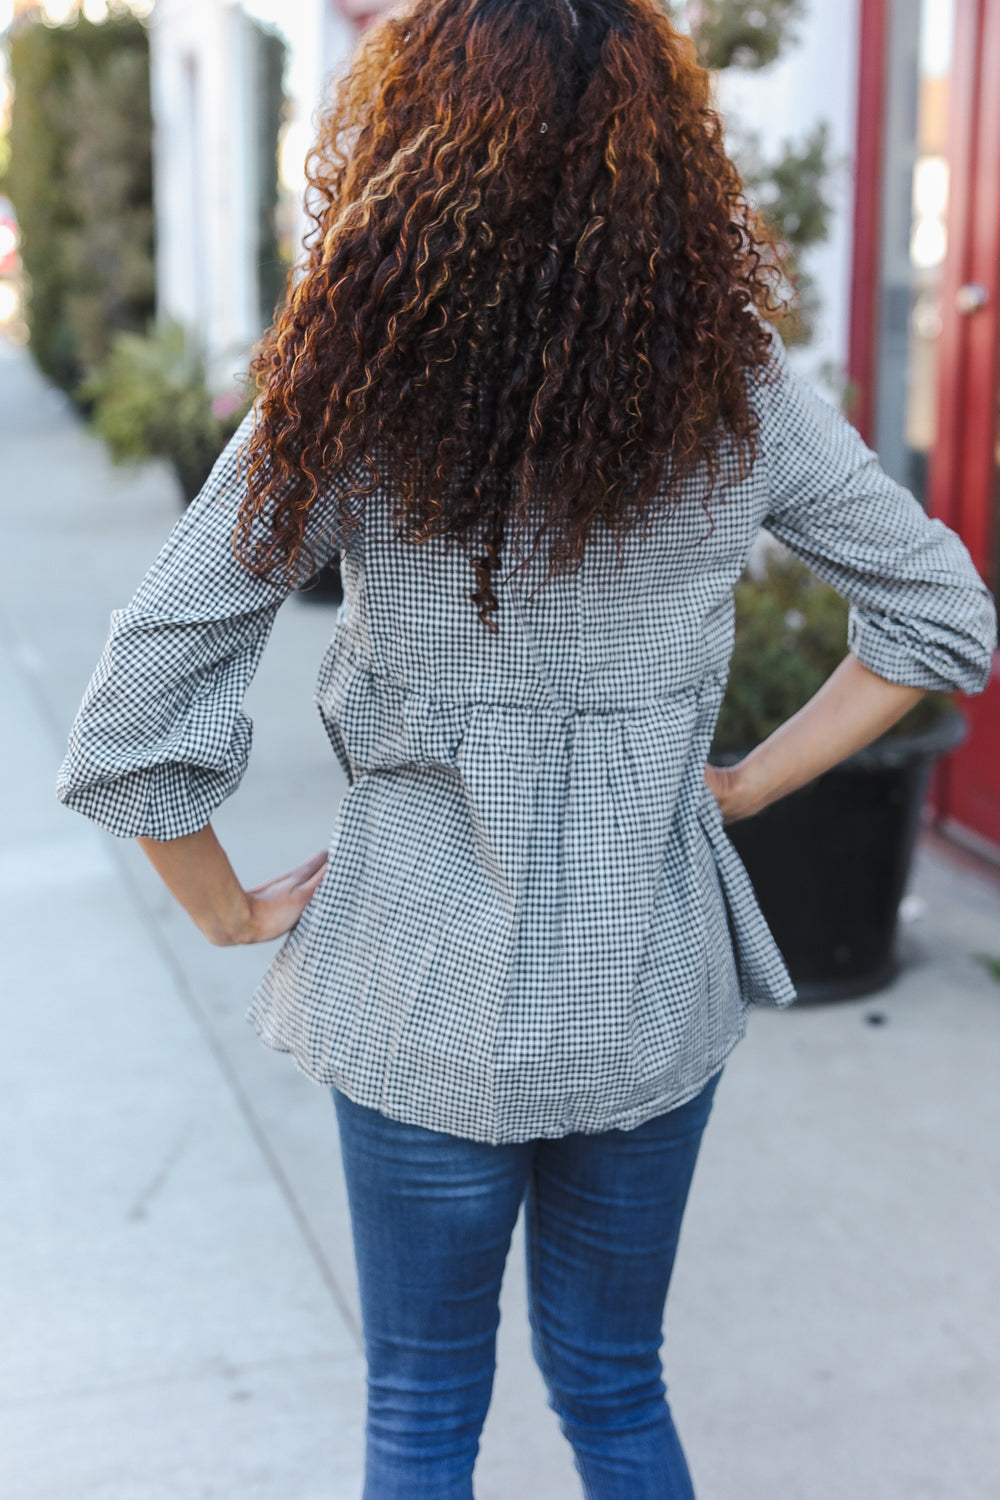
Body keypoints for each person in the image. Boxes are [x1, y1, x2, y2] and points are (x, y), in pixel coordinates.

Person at [58, 2, 996, 1496]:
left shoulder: (344, 391)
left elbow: (138, 701)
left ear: (415, 148)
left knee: (423, 1411)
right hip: (647, 984)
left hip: (415, 990)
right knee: (617, 1391)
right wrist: (744, 784)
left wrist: (227, 909)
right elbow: (940, 615)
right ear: (665, 163)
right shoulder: (730, 383)